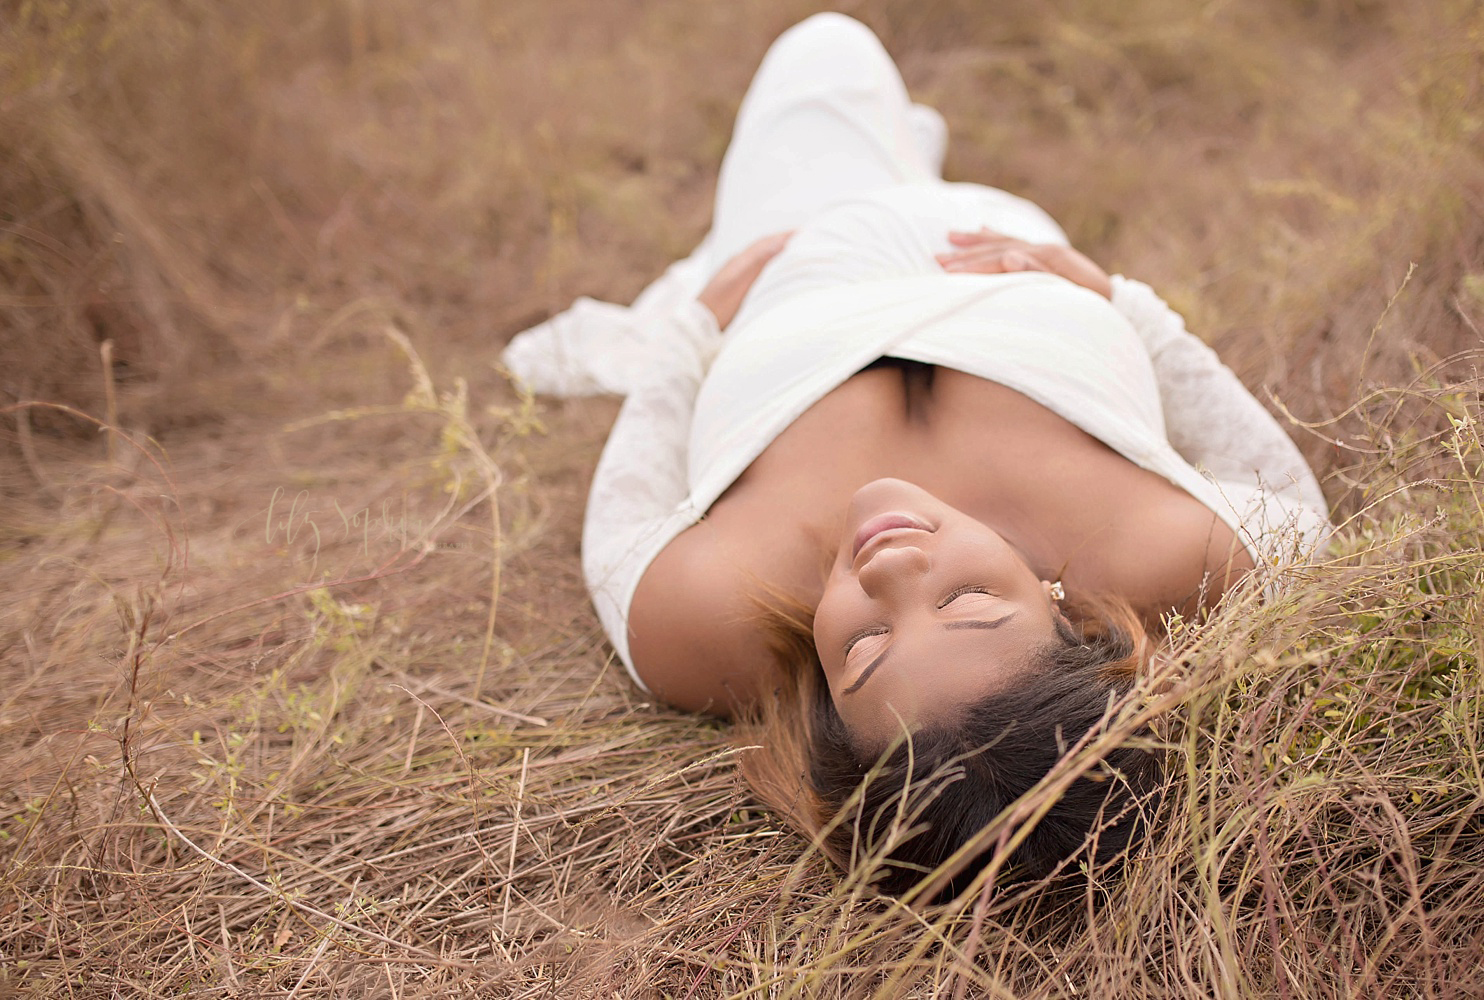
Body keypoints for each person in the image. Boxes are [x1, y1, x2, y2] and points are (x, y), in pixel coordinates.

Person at [503, 12, 1329, 897]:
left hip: (798, 238)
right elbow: (1292, 496)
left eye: (862, 649)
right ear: (1071, 625)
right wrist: (1125, 303)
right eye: (969, 600)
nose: (892, 566)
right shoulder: (1185, 553)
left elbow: (625, 504)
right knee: (872, 99)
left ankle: (867, 160)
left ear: (825, 707)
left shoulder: (699, 618)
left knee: (827, 41)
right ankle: (910, 155)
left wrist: (691, 330)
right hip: (984, 227)